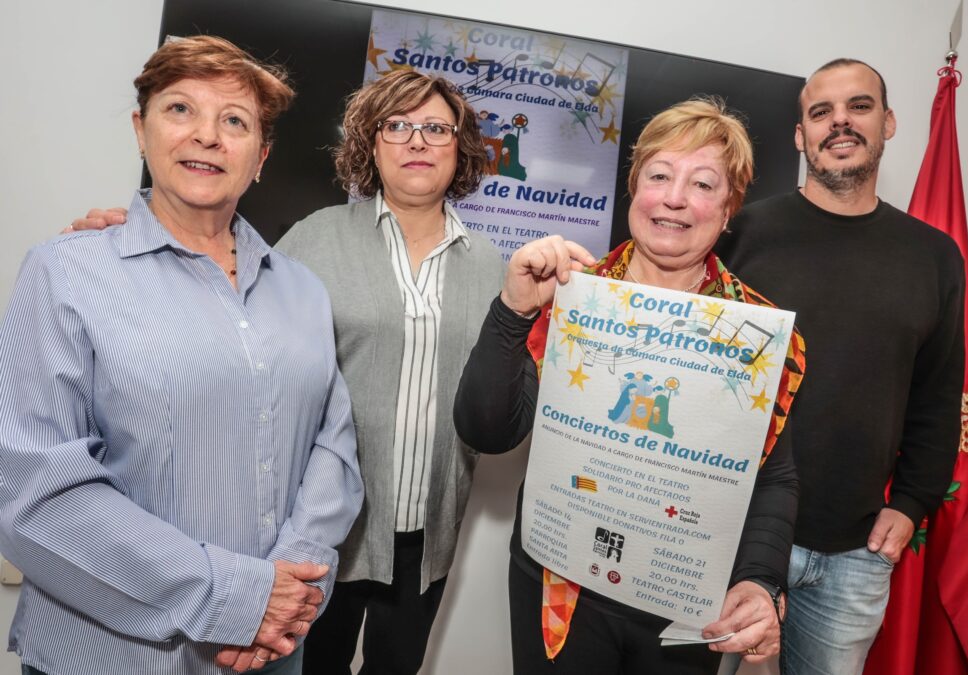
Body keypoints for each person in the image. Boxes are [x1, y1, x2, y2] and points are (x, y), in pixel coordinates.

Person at [70, 69, 506, 673]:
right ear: (371, 143)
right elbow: (226, 309)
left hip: (428, 531)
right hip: (323, 531)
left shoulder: (491, 266)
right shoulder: (314, 240)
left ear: (460, 148)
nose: (416, 141)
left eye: (436, 128)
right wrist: (145, 240)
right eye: (397, 125)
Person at [0, 35, 363, 675]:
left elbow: (331, 448)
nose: (207, 136)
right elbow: (35, 489)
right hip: (111, 659)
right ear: (141, 131)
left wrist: (291, 587)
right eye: (180, 109)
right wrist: (240, 599)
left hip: (273, 652)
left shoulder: (303, 289)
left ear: (261, 157)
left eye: (235, 121)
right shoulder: (65, 271)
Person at [453, 97, 806, 674]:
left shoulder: (756, 337)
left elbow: (774, 476)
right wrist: (513, 311)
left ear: (729, 209)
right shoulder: (571, 297)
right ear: (634, 189)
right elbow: (486, 432)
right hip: (560, 588)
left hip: (685, 603)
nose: (674, 198)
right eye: (659, 175)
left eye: (703, 184)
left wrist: (760, 579)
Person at [716, 58, 965, 674]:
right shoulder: (741, 233)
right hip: (728, 536)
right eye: (821, 112)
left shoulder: (935, 257)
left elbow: (937, 397)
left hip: (855, 552)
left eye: (859, 106)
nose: (840, 122)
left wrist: (912, 503)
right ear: (800, 135)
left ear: (888, 123)